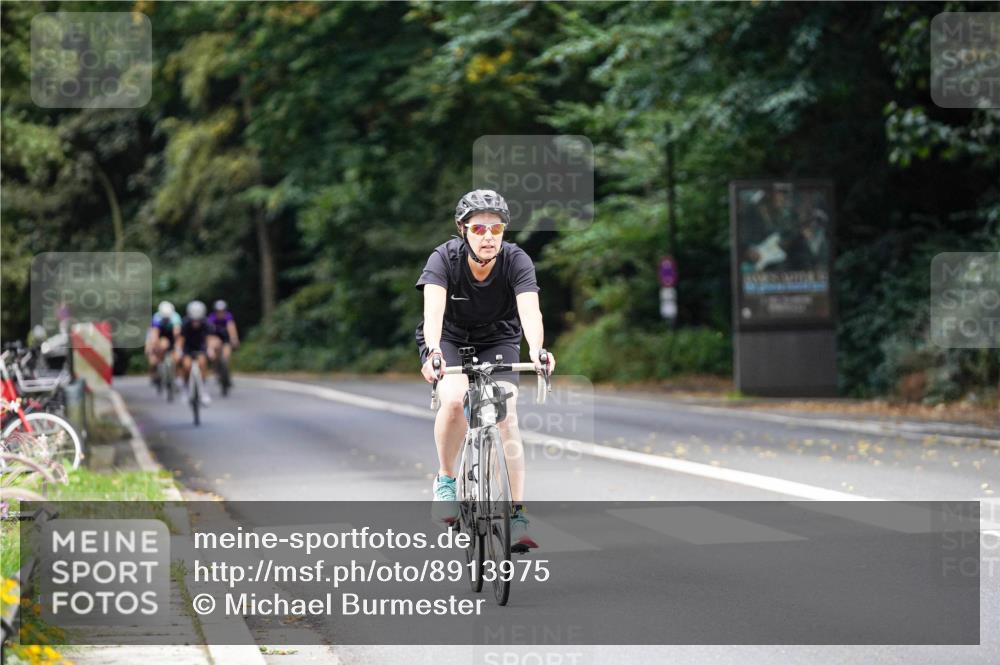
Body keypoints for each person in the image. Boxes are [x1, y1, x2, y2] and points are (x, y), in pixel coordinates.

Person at [415, 189, 555, 553]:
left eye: (496, 229)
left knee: (506, 414)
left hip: (498, 340)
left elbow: (530, 312)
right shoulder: (443, 259)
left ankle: (517, 513)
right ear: (463, 230)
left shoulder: (516, 260)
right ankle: (446, 480)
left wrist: (538, 351)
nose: (489, 236)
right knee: (455, 399)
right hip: (449, 338)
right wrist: (433, 352)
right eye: (479, 229)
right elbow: (432, 314)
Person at [176, 300, 211, 406]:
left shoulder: (206, 323)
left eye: (198, 320)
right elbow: (180, 339)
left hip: (201, 346)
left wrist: (210, 349)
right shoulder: (185, 323)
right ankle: (186, 390)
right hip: (188, 347)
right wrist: (178, 350)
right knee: (186, 366)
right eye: (194, 320)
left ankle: (203, 390)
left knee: (202, 363)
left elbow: (209, 338)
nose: (196, 322)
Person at [146, 301, 181, 386]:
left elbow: (177, 334)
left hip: (171, 335)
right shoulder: (156, 318)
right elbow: (154, 335)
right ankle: (155, 372)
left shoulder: (175, 317)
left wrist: (178, 348)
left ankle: (175, 376)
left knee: (177, 358)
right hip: (159, 335)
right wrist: (153, 348)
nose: (166, 319)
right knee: (153, 358)